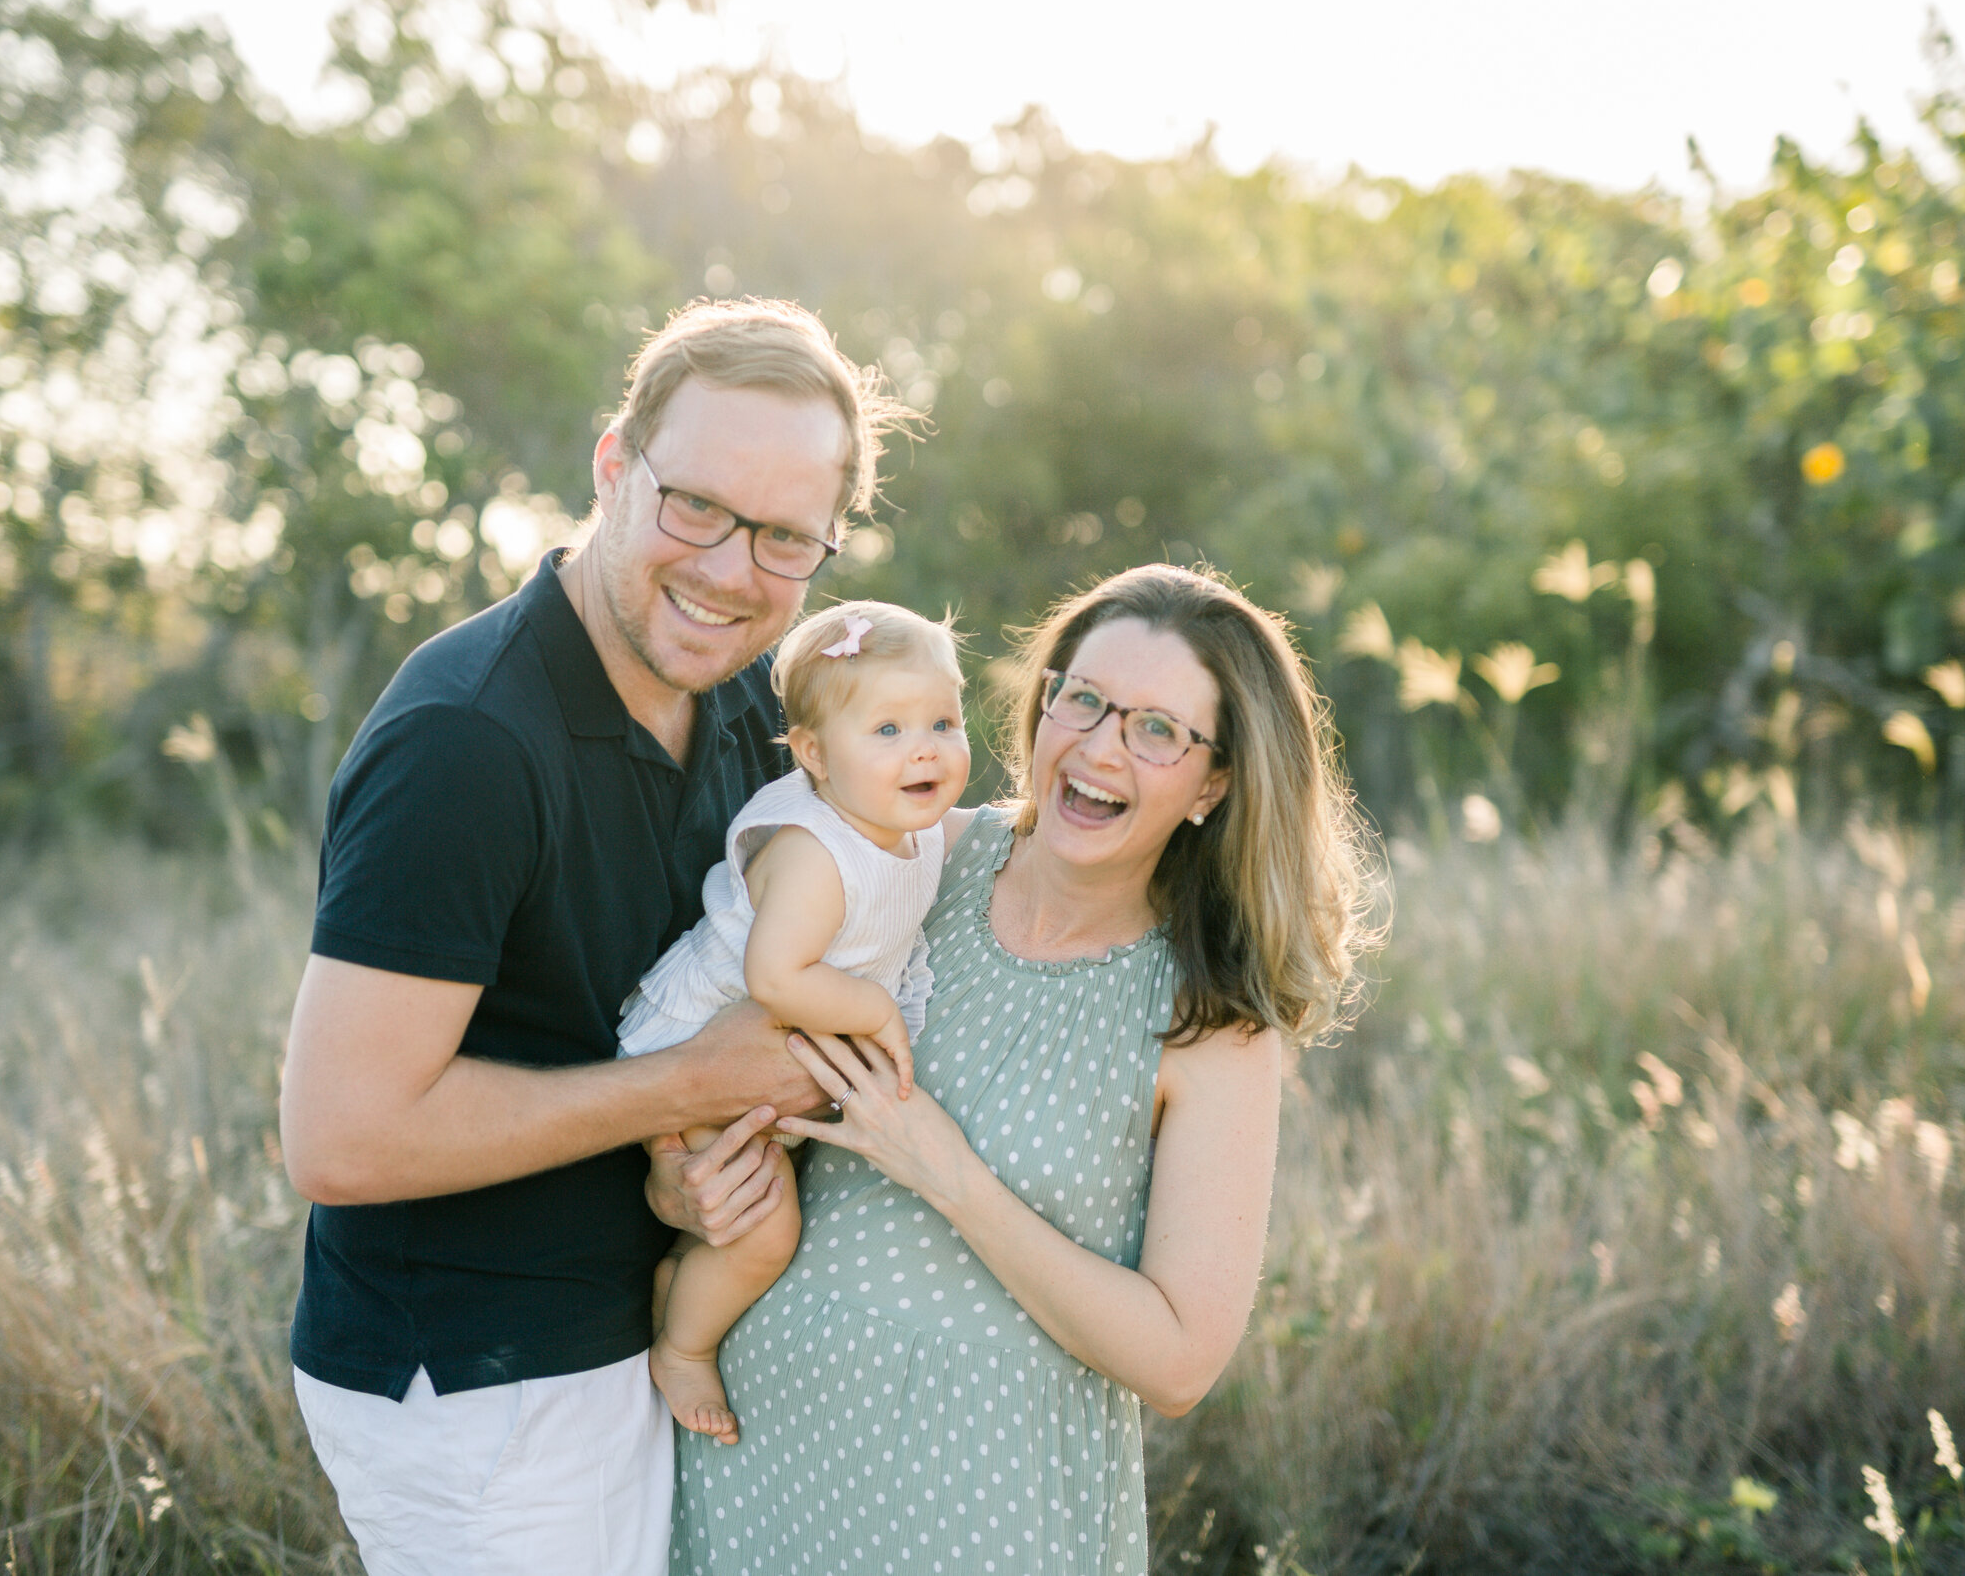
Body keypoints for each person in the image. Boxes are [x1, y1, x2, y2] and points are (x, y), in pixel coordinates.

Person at [276, 297, 914, 1575]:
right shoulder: (465, 740)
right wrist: (686, 1087)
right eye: (696, 507)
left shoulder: (745, 696)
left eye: (786, 538)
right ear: (613, 466)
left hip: (635, 1326)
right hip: (475, 1379)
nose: (733, 570)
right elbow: (339, 1135)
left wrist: (684, 1164)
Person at [668, 563, 1382, 1576]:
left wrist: (947, 1172)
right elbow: (704, 1048)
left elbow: (1178, 1360)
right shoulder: (908, 858)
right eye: (1082, 698)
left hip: (986, 1513)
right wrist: (679, 1179)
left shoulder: (1208, 1020)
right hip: (757, 1479)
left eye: (1156, 730)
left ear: (1212, 783)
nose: (1097, 746)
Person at [620, 601, 968, 1444]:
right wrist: (874, 1007)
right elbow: (774, 977)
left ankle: (684, 1279)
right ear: (813, 752)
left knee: (753, 1211)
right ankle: (683, 1344)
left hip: (758, 1054)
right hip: (693, 1043)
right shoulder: (816, 850)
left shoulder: (903, 822)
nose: (924, 747)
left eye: (943, 721)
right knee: (767, 1229)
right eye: (886, 728)